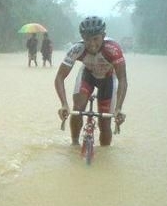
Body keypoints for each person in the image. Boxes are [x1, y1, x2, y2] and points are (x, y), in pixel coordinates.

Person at [54, 16, 127, 146]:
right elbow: (59, 77)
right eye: (87, 39)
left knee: (105, 122)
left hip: (108, 79)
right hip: (88, 75)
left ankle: (104, 152)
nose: (92, 44)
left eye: (96, 39)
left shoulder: (113, 49)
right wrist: (64, 104)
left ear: (103, 35)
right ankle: (75, 144)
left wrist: (118, 108)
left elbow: (122, 79)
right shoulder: (77, 49)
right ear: (82, 37)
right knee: (77, 109)